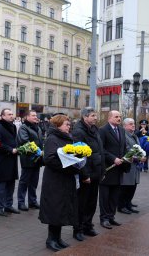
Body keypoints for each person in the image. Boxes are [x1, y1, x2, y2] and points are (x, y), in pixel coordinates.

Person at [39, 114, 78, 252]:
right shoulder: (52, 138)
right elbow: (49, 159)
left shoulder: (67, 138)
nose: (69, 126)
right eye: (66, 124)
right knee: (54, 209)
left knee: (62, 209)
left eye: (69, 124)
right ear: (57, 125)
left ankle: (58, 238)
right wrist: (68, 167)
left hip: (65, 179)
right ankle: (51, 239)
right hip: (54, 180)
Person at [71, 107, 104, 241]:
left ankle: (87, 225)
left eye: (95, 115)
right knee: (82, 203)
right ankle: (77, 229)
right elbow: (79, 156)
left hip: (96, 172)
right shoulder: (79, 131)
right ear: (85, 117)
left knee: (91, 202)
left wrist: (102, 171)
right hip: (86, 174)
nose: (95, 118)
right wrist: (84, 175)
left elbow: (100, 151)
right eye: (92, 115)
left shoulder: (94, 129)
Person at [99, 110, 130, 229]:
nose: (119, 118)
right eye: (116, 117)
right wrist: (113, 158)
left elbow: (123, 148)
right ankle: (104, 218)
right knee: (105, 196)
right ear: (109, 118)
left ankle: (111, 217)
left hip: (118, 169)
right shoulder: (103, 130)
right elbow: (101, 148)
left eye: (120, 117)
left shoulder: (121, 130)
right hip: (107, 168)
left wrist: (128, 157)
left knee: (114, 196)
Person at [0, 108, 19, 217]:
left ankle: (8, 205)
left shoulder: (13, 126)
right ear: (2, 116)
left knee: (11, 183)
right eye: (9, 114)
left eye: (12, 114)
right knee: (1, 185)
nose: (12, 116)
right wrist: (10, 149)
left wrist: (18, 148)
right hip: (2, 159)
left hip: (12, 159)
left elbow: (14, 140)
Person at [17, 110, 43, 212]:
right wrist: (38, 151)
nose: (35, 117)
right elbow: (25, 142)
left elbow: (40, 141)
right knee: (24, 181)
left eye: (36, 115)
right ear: (27, 117)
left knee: (34, 181)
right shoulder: (23, 127)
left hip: (37, 159)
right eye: (33, 115)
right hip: (28, 159)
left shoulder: (37, 127)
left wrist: (42, 150)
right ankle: (21, 202)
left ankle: (32, 201)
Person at [118, 118, 144, 214]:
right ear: (124, 126)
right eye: (130, 124)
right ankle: (121, 206)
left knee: (133, 186)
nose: (133, 125)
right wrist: (138, 157)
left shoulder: (134, 135)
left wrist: (142, 155)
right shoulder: (123, 136)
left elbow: (138, 148)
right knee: (126, 187)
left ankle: (128, 204)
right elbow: (127, 150)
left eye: (133, 123)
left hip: (135, 166)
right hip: (128, 165)